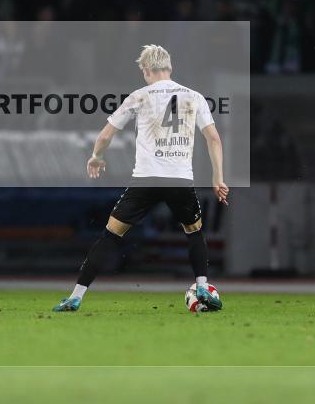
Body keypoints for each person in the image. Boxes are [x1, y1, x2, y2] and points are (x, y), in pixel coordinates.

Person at [53, 45, 229, 312]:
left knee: (110, 235)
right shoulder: (194, 97)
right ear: (170, 67)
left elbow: (105, 135)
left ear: (146, 70)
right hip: (179, 180)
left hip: (145, 180)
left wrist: (96, 157)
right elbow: (213, 138)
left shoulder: (139, 97)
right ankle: (202, 286)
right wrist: (218, 177)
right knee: (194, 232)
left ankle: (76, 296)